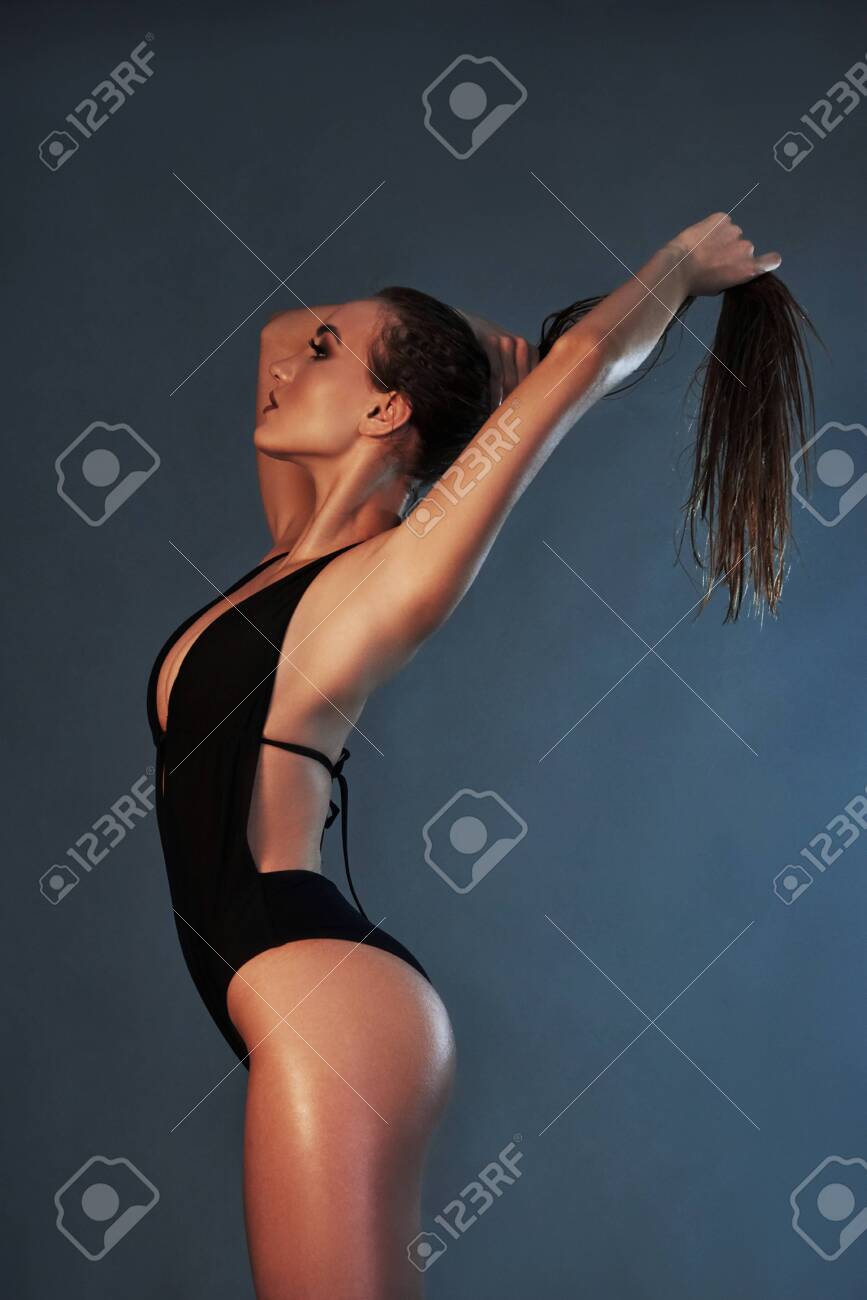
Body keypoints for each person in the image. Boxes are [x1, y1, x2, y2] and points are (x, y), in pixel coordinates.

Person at [148, 211, 803, 1298]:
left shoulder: (391, 576)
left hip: (321, 993)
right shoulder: (287, 556)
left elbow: (581, 363)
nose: (289, 365)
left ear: (384, 409)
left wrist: (679, 268)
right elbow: (275, 330)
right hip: (280, 983)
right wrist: (454, 342)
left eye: (329, 354)